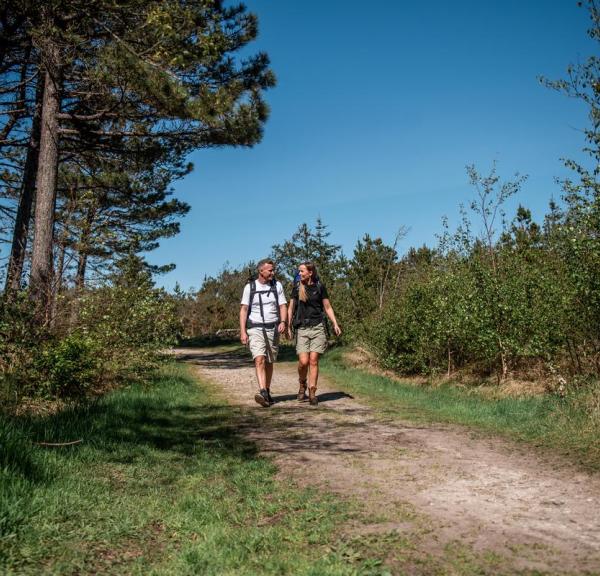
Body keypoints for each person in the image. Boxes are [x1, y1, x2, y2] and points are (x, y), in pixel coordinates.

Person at [287, 262, 341, 406]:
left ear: (310, 273)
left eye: (302, 271)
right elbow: (291, 308)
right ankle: (302, 384)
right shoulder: (297, 287)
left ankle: (312, 392)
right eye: (299, 271)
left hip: (317, 327)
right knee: (303, 362)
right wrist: (287, 325)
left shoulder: (319, 287)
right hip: (302, 328)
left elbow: (327, 307)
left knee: (313, 360)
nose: (299, 273)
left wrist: (335, 323)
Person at [240, 259, 288, 407]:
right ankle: (263, 392)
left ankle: (267, 390)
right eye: (270, 270)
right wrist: (243, 331)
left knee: (269, 361)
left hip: (272, 327)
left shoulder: (277, 285)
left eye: (273, 270)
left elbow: (283, 306)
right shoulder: (250, 287)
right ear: (261, 271)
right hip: (255, 328)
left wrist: (283, 322)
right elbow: (244, 310)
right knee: (259, 358)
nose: (273, 272)